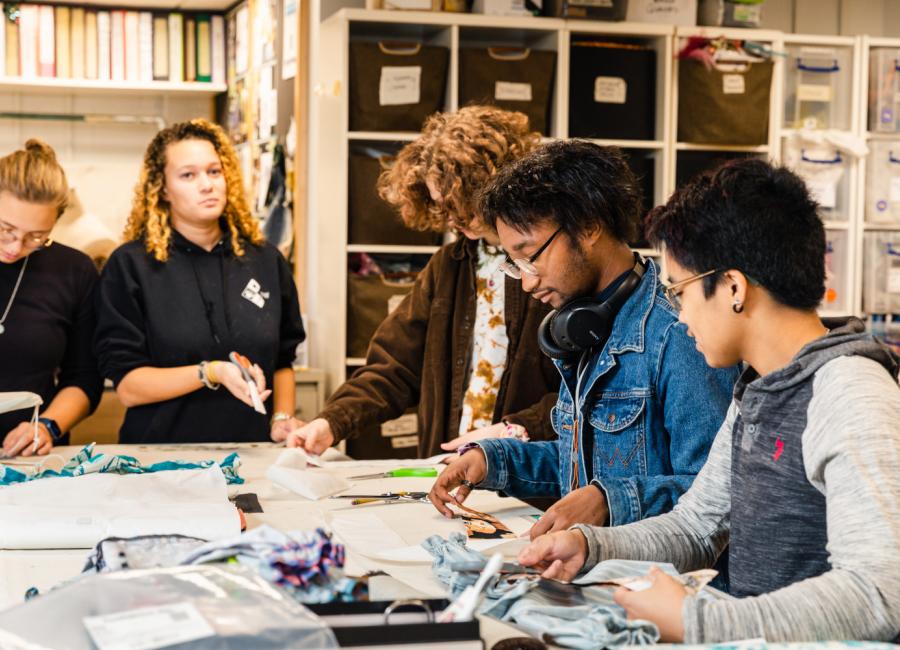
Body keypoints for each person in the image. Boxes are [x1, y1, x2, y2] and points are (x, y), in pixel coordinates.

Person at [517, 158, 900, 643]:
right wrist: (589, 546)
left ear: (734, 288)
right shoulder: (758, 389)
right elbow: (697, 527)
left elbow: (882, 592)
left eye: (680, 291)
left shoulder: (848, 391)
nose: (679, 317)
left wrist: (697, 620)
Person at [429, 140, 739, 537]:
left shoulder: (679, 336)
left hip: (653, 585)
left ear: (589, 226)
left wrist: (609, 501)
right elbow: (590, 465)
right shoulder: (585, 328)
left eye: (531, 256)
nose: (526, 283)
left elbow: (719, 494)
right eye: (515, 264)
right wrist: (495, 461)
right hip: (593, 570)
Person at [283, 106, 560, 458]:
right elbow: (394, 368)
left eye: (463, 205)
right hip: (453, 471)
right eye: (442, 206)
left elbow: (587, 395)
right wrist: (331, 423)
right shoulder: (449, 267)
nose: (453, 219)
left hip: (532, 474)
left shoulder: (553, 265)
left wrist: (521, 427)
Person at [94, 119, 305, 444]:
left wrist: (282, 418)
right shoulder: (131, 265)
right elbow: (129, 388)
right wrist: (211, 372)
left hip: (253, 454)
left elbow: (282, 361)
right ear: (162, 188)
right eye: (188, 175)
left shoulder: (265, 261)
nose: (206, 185)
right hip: (161, 462)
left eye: (214, 171)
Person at [0, 140, 103, 457]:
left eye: (36, 237)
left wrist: (47, 426)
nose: (16, 247)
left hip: (30, 460)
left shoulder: (74, 271)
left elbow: (84, 377)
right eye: (5, 229)